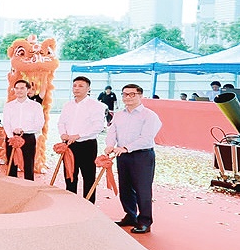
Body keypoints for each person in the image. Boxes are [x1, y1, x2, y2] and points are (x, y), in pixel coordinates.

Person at [105, 84, 163, 234]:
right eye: (125, 94)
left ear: (140, 95)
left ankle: (145, 221)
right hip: (122, 155)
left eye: (132, 94)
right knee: (125, 188)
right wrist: (110, 145)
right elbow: (112, 132)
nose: (128, 97)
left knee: (142, 189)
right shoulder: (119, 115)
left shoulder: (149, 116)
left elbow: (146, 138)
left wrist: (126, 148)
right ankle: (130, 215)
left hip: (142, 155)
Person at [58, 76, 107, 202]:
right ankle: (71, 203)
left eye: (81, 86)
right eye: (74, 86)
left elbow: (98, 126)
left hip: (87, 145)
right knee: (70, 175)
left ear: (88, 88)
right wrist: (63, 134)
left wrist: (79, 135)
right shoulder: (68, 105)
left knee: (88, 176)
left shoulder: (96, 105)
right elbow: (61, 122)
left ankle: (89, 205)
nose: (77, 88)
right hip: (69, 145)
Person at [1, 80, 44, 181]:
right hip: (11, 138)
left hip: (28, 137)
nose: (19, 90)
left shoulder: (35, 106)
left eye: (22, 88)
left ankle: (29, 186)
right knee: (11, 164)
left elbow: (39, 124)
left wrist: (23, 130)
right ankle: (12, 186)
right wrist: (11, 137)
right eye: (17, 88)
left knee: (28, 164)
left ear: (28, 90)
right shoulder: (9, 105)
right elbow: (6, 122)